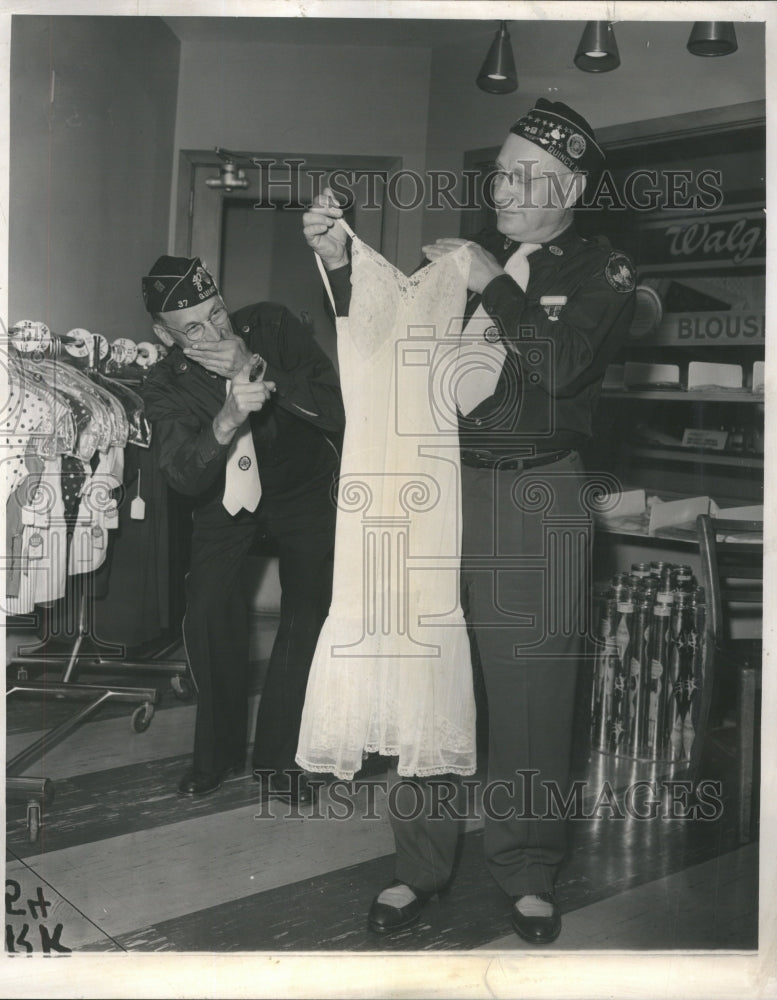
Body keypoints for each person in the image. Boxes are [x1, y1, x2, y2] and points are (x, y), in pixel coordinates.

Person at [302, 99, 636, 944]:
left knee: (533, 691)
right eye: (499, 173)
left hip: (538, 495)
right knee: (426, 676)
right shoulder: (461, 263)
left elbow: (559, 367)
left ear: (572, 189)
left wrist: (493, 280)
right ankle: (420, 866)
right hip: (439, 486)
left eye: (527, 178)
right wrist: (339, 259)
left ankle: (528, 871)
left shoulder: (600, 269)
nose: (504, 189)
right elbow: (386, 340)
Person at [141, 255, 344, 803]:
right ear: (165, 335)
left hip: (304, 488)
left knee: (308, 612)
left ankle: (281, 764)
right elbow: (183, 475)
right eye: (193, 329)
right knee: (207, 610)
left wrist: (257, 367)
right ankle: (218, 754)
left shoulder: (273, 325)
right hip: (227, 499)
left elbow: (336, 406)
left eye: (217, 315)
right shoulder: (162, 384)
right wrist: (226, 420)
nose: (213, 333)